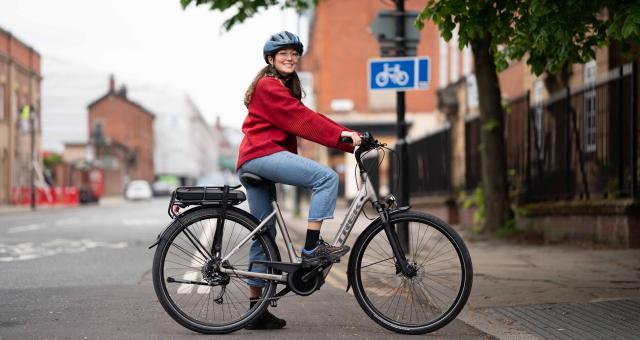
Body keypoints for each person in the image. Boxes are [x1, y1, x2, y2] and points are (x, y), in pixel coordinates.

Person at [236, 31, 361, 329]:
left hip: (253, 159)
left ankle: (256, 311)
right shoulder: (269, 86)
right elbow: (302, 120)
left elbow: (307, 114)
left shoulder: (280, 87)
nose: (290, 58)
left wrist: (347, 136)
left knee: (263, 235)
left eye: (294, 54)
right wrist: (344, 139)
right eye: (283, 54)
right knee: (326, 177)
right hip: (261, 155)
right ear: (270, 59)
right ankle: (311, 249)